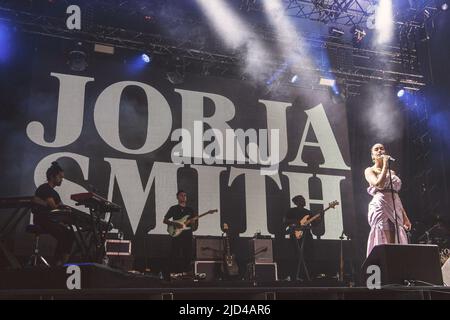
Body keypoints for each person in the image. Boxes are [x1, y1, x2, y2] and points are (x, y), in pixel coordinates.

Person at [365, 143, 412, 256]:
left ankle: (397, 264)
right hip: (380, 205)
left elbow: (395, 195)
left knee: (397, 235)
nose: (380, 150)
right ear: (372, 156)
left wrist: (405, 217)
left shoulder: (392, 172)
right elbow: (379, 185)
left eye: (382, 148)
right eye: (376, 149)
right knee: (384, 235)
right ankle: (384, 262)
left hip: (395, 205)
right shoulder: (369, 170)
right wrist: (385, 164)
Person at [32, 162, 74, 266]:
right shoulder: (44, 188)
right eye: (60, 177)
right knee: (64, 235)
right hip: (42, 219)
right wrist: (63, 211)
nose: (62, 180)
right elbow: (54, 207)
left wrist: (67, 211)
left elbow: (61, 208)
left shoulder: (55, 193)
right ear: (52, 176)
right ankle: (56, 264)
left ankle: (62, 264)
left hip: (51, 220)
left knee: (70, 234)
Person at [163, 190, 198, 277]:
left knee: (188, 253)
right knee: (175, 253)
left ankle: (186, 273)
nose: (184, 197)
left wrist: (193, 222)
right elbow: (165, 220)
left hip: (187, 233)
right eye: (182, 195)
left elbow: (194, 227)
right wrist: (175, 224)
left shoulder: (190, 210)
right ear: (177, 197)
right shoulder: (173, 208)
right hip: (177, 233)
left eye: (185, 195)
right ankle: (173, 273)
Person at [284, 195, 315, 281]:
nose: (304, 201)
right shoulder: (291, 211)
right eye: (303, 200)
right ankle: (294, 276)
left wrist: (320, 217)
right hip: (295, 235)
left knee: (308, 254)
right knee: (295, 255)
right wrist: (297, 221)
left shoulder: (308, 212)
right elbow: (285, 221)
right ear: (297, 202)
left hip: (307, 235)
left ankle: (307, 276)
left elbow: (315, 223)